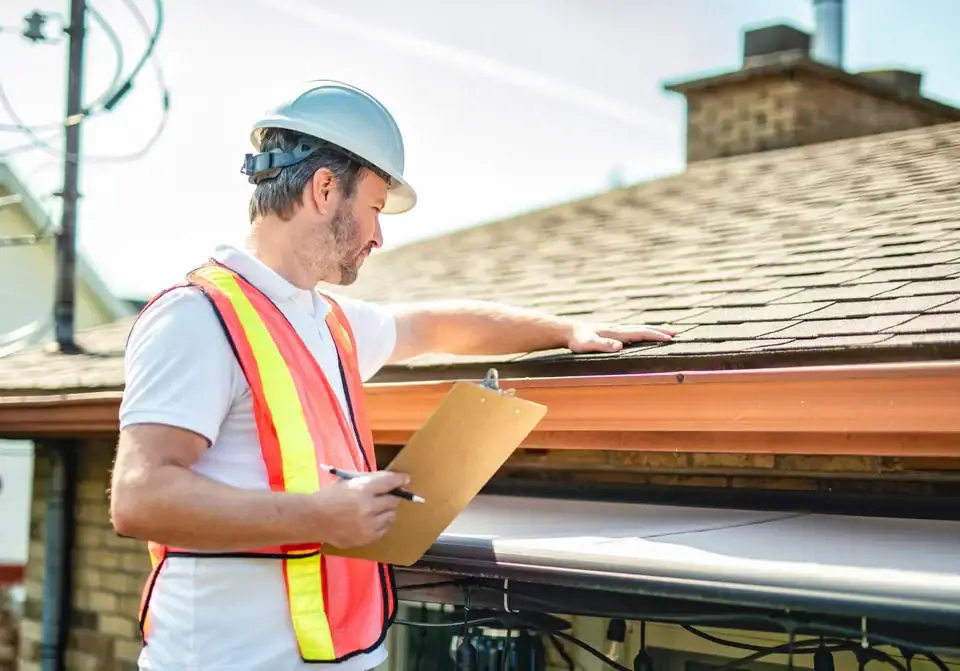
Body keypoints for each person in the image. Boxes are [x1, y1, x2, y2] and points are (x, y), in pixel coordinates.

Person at [110, 80, 675, 671]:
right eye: (375, 208)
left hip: (346, 655)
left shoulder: (324, 320)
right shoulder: (198, 316)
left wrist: (564, 330)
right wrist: (321, 515)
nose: (379, 235)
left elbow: (435, 326)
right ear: (325, 189)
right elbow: (140, 498)